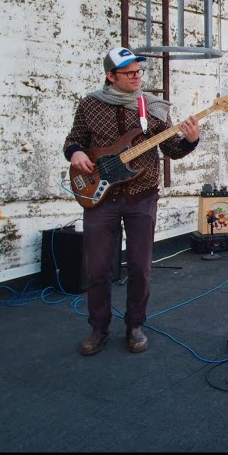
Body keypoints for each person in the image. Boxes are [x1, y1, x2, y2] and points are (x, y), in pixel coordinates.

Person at [64, 46, 202, 356]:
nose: (137, 76)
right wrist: (76, 153)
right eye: (129, 73)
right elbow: (73, 140)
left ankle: (134, 325)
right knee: (97, 268)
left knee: (140, 267)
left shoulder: (152, 108)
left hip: (142, 197)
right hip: (100, 199)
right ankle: (98, 328)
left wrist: (191, 140)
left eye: (138, 71)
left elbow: (172, 150)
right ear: (110, 76)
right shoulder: (89, 105)